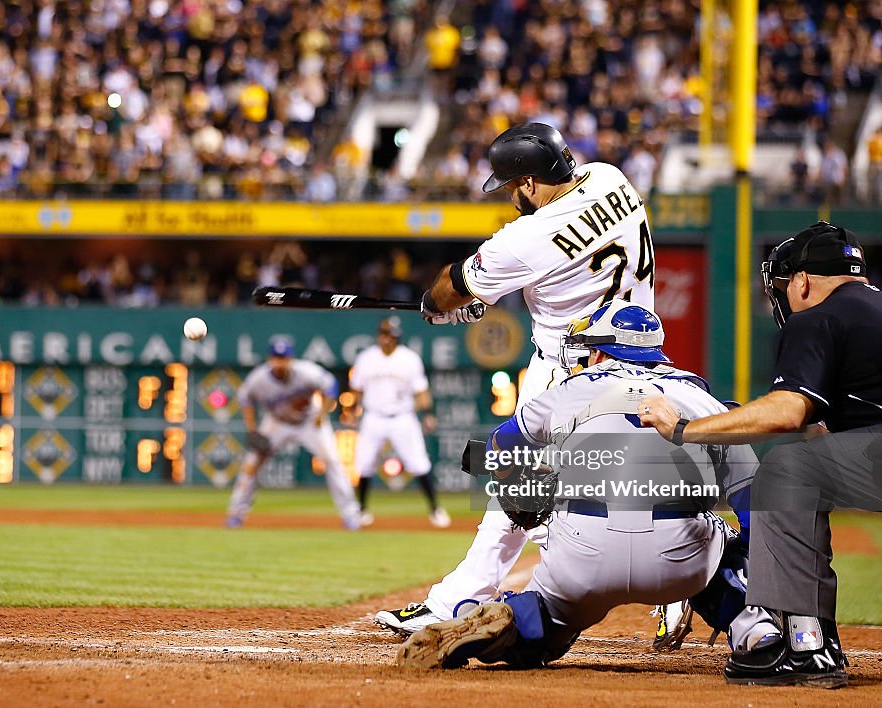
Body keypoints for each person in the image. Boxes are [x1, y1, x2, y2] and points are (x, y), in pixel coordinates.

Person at [376, 121, 684, 648]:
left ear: (526, 182)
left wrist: (438, 306)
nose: (511, 197)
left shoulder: (523, 238)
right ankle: (458, 598)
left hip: (572, 370)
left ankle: (681, 580)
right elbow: (563, 268)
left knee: (532, 492)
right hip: (641, 354)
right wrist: (481, 297)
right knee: (544, 485)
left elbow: (452, 288)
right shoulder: (611, 178)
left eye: (511, 186)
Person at [396, 300, 777, 669]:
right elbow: (752, 495)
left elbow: (487, 450)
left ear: (600, 353)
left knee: (546, 625)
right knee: (724, 546)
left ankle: (509, 619)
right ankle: (757, 633)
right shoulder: (700, 397)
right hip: (677, 557)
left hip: (581, 552)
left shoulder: (568, 390)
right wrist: (752, 560)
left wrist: (515, 482)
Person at [639, 222, 882, 688]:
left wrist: (686, 428)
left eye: (786, 286)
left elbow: (787, 412)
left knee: (788, 471)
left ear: (803, 280)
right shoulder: (869, 309)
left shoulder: (819, 317)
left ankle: (805, 646)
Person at [226, 337, 361, 530]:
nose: (280, 362)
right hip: (277, 423)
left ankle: (351, 515)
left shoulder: (306, 372)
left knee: (332, 461)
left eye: (284, 358)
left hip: (309, 422)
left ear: (291, 359)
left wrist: (322, 414)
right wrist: (252, 429)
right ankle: (236, 513)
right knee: (251, 465)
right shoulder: (259, 378)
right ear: (269, 359)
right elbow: (245, 399)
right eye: (276, 358)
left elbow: (331, 386)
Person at [349, 317, 450, 528]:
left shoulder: (409, 359)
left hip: (403, 417)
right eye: (384, 334)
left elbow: (421, 391)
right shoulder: (366, 358)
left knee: (419, 463)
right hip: (373, 416)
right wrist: (350, 410)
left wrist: (428, 413)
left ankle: (435, 509)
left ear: (397, 338)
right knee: (364, 464)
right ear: (379, 335)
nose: (387, 339)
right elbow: (356, 390)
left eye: (391, 335)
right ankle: (361, 511)